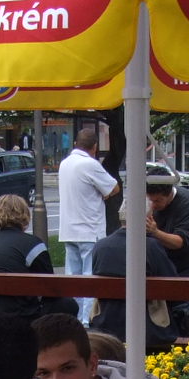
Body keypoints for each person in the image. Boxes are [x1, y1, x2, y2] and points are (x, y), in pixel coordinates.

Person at [0, 194, 77, 321]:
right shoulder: (33, 244)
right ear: (24, 215)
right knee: (68, 305)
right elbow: (50, 288)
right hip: (21, 316)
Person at [90, 209, 179, 352]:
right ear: (148, 219)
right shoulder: (150, 246)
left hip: (106, 323)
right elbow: (171, 285)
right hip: (148, 327)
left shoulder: (101, 246)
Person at [58, 125, 119, 320]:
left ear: (75, 143)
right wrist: (104, 195)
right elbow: (114, 188)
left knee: (73, 280)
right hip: (89, 229)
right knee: (90, 279)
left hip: (68, 229)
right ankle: (86, 320)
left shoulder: (65, 164)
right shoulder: (90, 164)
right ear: (94, 147)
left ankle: (73, 319)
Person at [143, 167, 189, 278]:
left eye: (157, 201)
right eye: (150, 200)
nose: (153, 205)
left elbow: (179, 242)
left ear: (169, 193)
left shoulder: (188, 202)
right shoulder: (151, 201)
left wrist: (155, 232)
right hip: (165, 262)